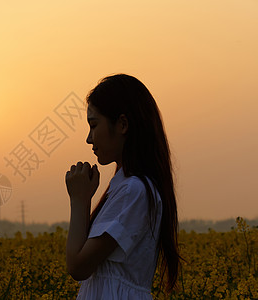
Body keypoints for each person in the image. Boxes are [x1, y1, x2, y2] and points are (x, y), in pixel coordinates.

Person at [65, 74, 180, 299]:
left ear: (123, 125)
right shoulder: (127, 188)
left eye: (93, 125)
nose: (89, 139)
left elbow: (77, 267)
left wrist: (79, 200)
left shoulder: (133, 191)